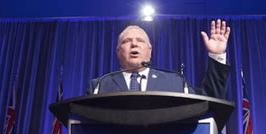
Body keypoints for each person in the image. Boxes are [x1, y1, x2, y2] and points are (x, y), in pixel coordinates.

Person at [89, 19, 230, 98]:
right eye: (126, 41)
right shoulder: (99, 86)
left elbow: (209, 100)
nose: (134, 44)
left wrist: (216, 55)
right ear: (118, 51)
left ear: (150, 51)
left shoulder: (175, 82)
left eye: (140, 40)